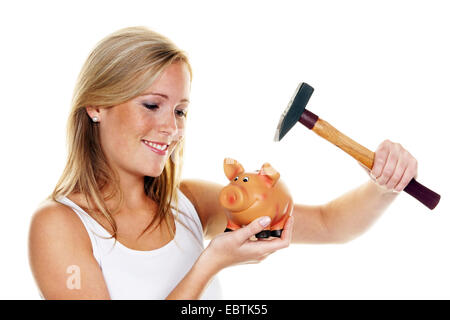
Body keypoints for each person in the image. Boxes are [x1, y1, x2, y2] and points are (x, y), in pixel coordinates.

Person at [28, 26, 418, 300]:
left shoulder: (188, 204)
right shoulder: (59, 225)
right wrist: (208, 264)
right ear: (96, 105)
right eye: (152, 105)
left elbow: (332, 225)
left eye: (181, 111)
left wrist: (383, 186)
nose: (171, 128)